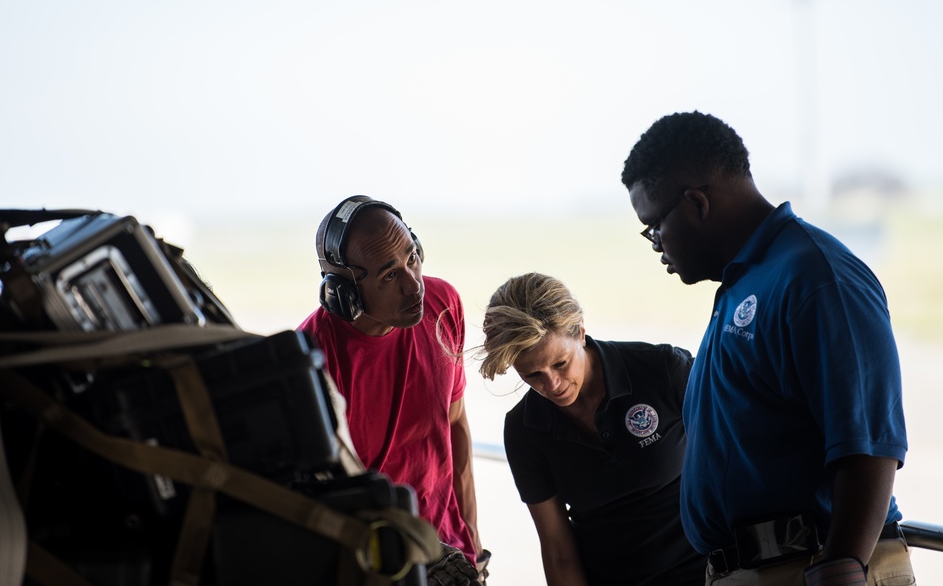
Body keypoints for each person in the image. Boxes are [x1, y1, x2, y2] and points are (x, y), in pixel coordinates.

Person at [620, 111, 915, 585]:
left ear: (696, 203)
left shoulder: (815, 278)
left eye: (653, 226)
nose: (655, 244)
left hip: (813, 564)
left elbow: (868, 444)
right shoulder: (744, 281)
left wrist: (843, 565)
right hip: (755, 568)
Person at [298, 195, 487, 583]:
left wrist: (473, 543)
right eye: (389, 275)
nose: (413, 283)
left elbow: (455, 425)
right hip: (377, 565)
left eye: (412, 257)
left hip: (454, 553)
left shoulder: (443, 303)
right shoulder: (310, 356)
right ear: (343, 294)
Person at [477, 271, 705, 585]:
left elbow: (736, 458)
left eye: (560, 364)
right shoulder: (523, 429)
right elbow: (558, 549)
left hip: (707, 571)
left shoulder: (664, 369)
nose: (552, 385)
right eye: (533, 375)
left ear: (581, 332)